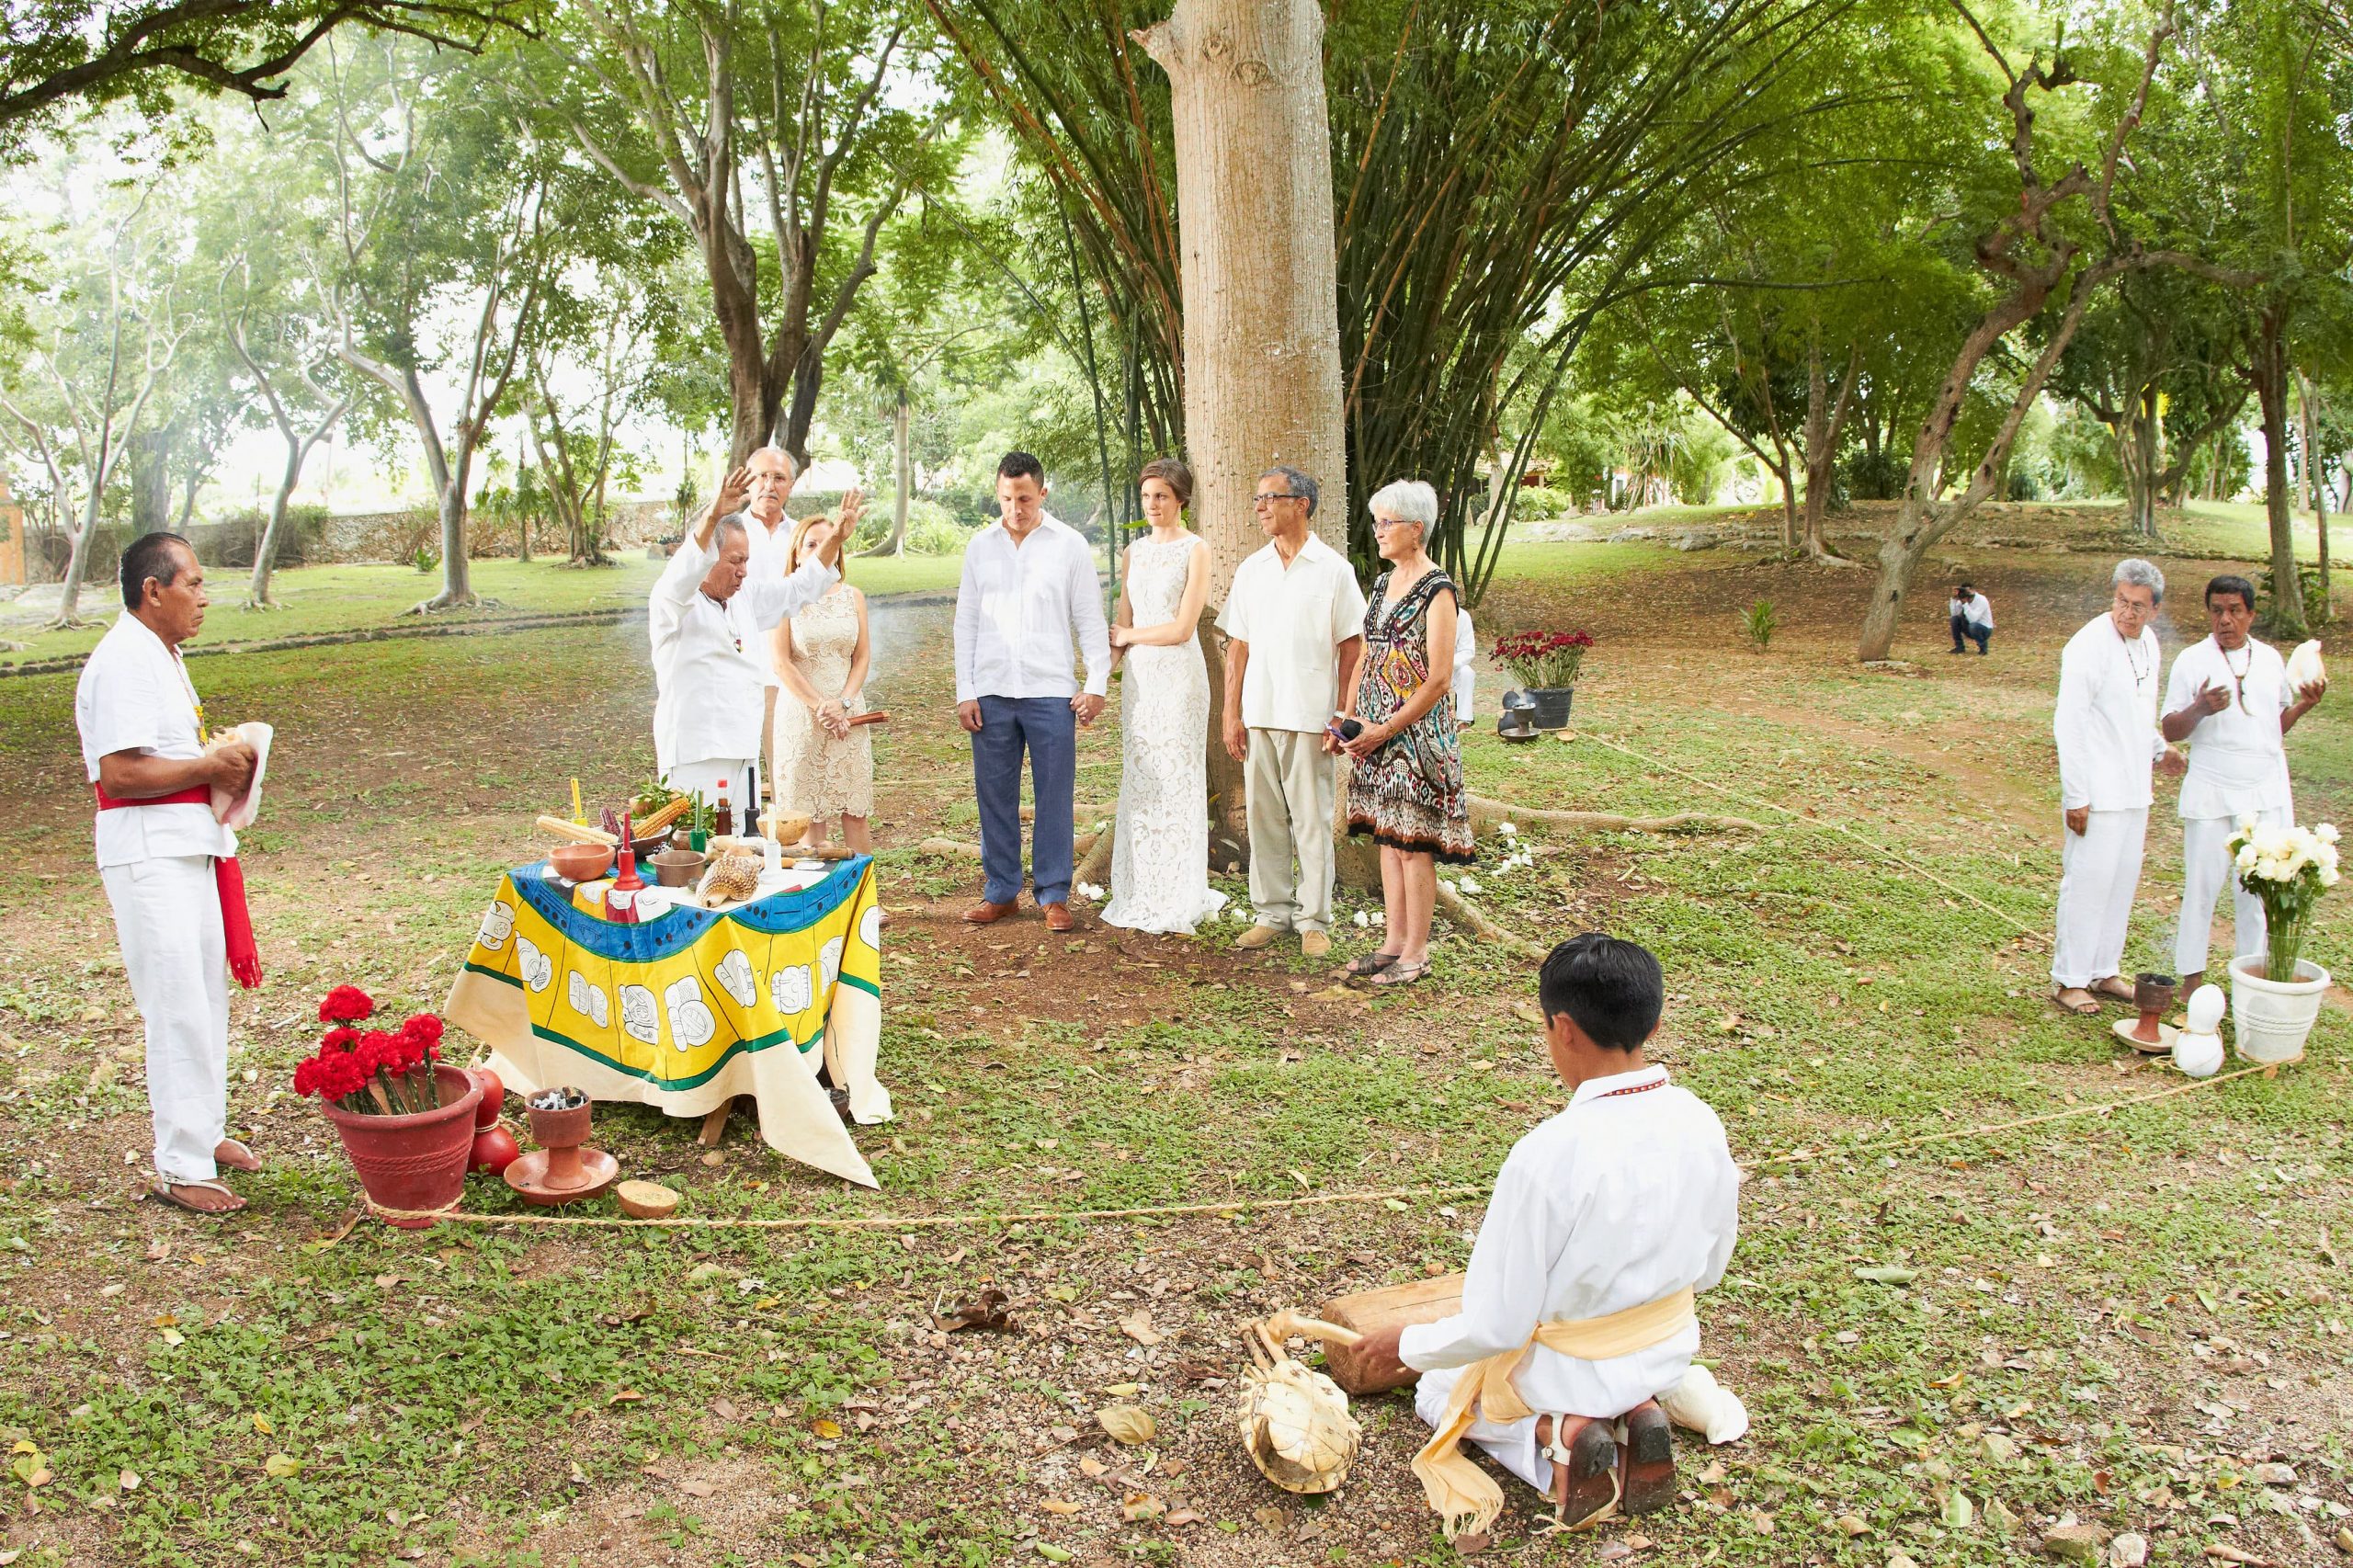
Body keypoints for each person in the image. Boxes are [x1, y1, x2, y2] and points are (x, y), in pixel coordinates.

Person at [1323, 934, 1740, 1543]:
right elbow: (1711, 1267)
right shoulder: (1701, 1120)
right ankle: (1636, 1410)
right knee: (1568, 1353)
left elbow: (1498, 1327)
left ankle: (1556, 1443)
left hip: (1572, 1371)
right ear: (1654, 1021)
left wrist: (1404, 1346)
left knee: (1442, 1390)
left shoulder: (1547, 1155)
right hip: (1666, 1347)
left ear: (1563, 1030)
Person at [76, 533, 263, 1216]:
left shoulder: (162, 654)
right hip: (148, 854)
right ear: (153, 590)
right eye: (193, 584)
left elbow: (164, 757)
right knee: (176, 1003)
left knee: (205, 995)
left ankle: (204, 1130)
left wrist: (219, 767)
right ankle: (179, 1164)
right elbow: (119, 773)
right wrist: (207, 767)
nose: (204, 597)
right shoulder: (123, 659)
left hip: (187, 845)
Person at [953, 451, 1110, 932]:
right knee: (995, 795)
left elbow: (1089, 619)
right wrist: (966, 689)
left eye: (1024, 498)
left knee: (1054, 795)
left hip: (1050, 691)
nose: (1015, 508)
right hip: (993, 688)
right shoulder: (980, 547)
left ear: (1043, 493)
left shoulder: (1070, 545)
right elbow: (966, 622)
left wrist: (1097, 683)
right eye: (1005, 498)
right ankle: (1001, 892)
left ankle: (1054, 894)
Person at [1216, 466, 1367, 958]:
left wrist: (1343, 715)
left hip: (1311, 717)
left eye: (1269, 498)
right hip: (1259, 712)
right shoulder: (1251, 568)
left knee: (1312, 821)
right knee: (1263, 820)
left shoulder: (1334, 569)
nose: (1260, 507)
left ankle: (1314, 920)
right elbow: (1237, 648)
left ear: (1300, 504)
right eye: (1256, 499)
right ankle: (1272, 913)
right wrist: (1230, 714)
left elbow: (1352, 647)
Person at [2161, 574, 2326, 1005]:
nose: (2225, 620)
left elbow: (2274, 727)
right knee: (2202, 887)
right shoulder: (2191, 661)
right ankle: (2191, 982)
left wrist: (2304, 706)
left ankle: (2250, 983)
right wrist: (2199, 708)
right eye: (2217, 610)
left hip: (2264, 788)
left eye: (2235, 610)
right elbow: (2171, 729)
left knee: (2257, 890)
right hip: (2212, 784)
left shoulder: (2271, 660)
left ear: (2251, 614)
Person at [1336, 480, 1472, 987]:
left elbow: (1438, 678)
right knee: (1387, 838)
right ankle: (1393, 943)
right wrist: (1348, 720)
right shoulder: (1381, 584)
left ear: (1416, 530)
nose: (1378, 532)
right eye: (1376, 522)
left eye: (1386, 523)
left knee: (1414, 843)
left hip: (1415, 736)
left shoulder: (1438, 591)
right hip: (1373, 732)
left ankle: (1417, 951)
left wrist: (1386, 729)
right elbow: (1366, 654)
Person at [652, 465, 841, 814]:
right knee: (696, 848)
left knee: (742, 849)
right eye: (735, 561)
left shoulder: (744, 597)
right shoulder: (674, 600)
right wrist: (713, 516)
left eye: (747, 561)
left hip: (742, 749)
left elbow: (797, 590)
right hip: (696, 753)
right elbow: (686, 566)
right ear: (708, 558)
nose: (743, 571)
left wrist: (837, 540)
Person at [2051, 558, 2184, 1016]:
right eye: (2122, 602)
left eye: (2139, 606)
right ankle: (2069, 979)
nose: (2128, 613)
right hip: (2097, 791)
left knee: (2121, 883)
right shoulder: (2087, 645)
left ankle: (2104, 971)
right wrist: (2077, 796)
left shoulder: (2148, 644)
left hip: (2135, 790)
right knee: (2087, 883)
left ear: (2155, 610)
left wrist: (2159, 749)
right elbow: (2069, 723)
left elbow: (2136, 715)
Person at [1102, 457, 1227, 934]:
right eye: (1147, 496)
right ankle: (1141, 888)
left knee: (1177, 776)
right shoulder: (1134, 552)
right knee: (1142, 774)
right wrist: (1100, 680)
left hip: (1178, 678)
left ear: (1180, 500)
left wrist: (1129, 638)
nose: (1153, 505)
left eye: (1162, 497)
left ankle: (1178, 890)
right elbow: (1122, 621)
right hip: (1139, 680)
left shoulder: (1196, 550)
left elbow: (1180, 629)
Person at [770, 511, 874, 854]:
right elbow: (781, 662)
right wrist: (820, 706)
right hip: (803, 716)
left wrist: (842, 703)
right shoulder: (784, 597)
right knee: (808, 815)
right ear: (797, 552)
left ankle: (865, 904)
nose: (820, 550)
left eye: (828, 542)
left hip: (848, 715)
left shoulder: (853, 596)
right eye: (811, 544)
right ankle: (818, 904)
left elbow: (861, 657)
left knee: (855, 811)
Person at [1949, 584, 1993, 654]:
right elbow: (1954, 614)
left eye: (1967, 591)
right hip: (1969, 628)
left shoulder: (1981, 600)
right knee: (1954, 619)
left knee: (1973, 626)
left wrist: (1965, 604)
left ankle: (1983, 648)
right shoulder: (1963, 600)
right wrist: (1954, 599)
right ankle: (1959, 647)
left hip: (1984, 629)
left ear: (1973, 590)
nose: (1966, 593)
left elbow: (1973, 619)